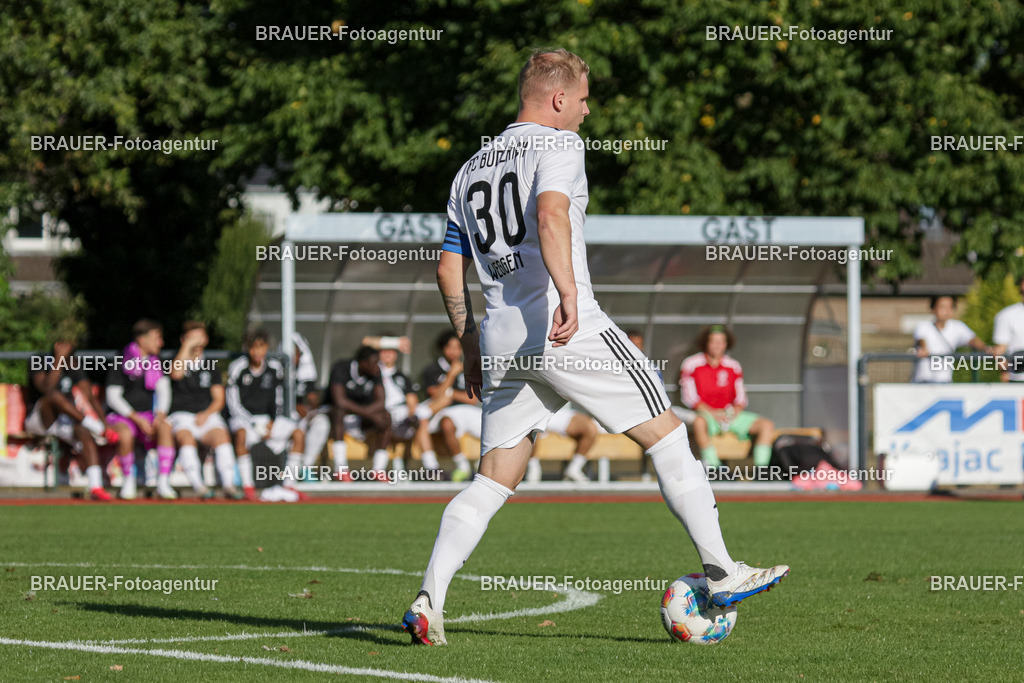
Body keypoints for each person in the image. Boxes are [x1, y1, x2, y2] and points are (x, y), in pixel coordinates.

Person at [403, 49, 787, 646]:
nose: (587, 110)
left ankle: (430, 596)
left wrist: (471, 337)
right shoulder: (559, 146)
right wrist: (568, 296)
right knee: (670, 435)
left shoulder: (470, 167)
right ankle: (722, 569)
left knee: (494, 479)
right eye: (583, 98)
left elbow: (447, 266)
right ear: (557, 99)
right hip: (563, 326)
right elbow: (551, 215)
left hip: (503, 337)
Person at [25, 337, 113, 501]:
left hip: (65, 421)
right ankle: (95, 426)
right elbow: (47, 388)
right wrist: (58, 360)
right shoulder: (39, 360)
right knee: (53, 396)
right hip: (40, 420)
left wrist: (105, 424)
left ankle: (96, 486)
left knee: (83, 430)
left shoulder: (73, 365)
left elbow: (90, 397)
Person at [680, 325, 776, 469]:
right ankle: (715, 467)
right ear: (706, 343)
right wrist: (713, 413)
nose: (718, 346)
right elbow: (689, 397)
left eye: (722, 342)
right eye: (714, 341)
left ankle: (761, 470)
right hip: (707, 415)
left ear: (727, 344)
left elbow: (741, 396)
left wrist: (735, 412)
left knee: (766, 425)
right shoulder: (691, 363)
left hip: (730, 415)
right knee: (699, 423)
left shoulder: (733, 365)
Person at [225, 329, 304, 500]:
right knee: (240, 435)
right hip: (245, 420)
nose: (257, 352)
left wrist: (273, 421)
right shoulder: (237, 367)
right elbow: (233, 404)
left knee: (298, 435)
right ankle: (248, 487)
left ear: (267, 348)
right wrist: (254, 424)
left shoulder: (275, 368)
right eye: (253, 348)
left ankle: (289, 485)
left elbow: (278, 398)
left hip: (268, 420)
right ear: (248, 348)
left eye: (261, 347)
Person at [167, 321, 241, 499]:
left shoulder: (211, 365)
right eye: (193, 337)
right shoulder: (176, 360)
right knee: (186, 438)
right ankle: (199, 487)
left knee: (222, 436)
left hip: (206, 416)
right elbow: (176, 374)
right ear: (184, 339)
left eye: (200, 337)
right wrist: (187, 346)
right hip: (182, 417)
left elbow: (219, 399)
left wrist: (206, 414)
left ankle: (229, 486)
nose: (197, 342)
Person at [106, 319, 176, 500]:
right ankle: (128, 481)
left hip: (148, 416)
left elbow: (164, 389)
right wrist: (137, 418)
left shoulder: (157, 361)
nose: (160, 343)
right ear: (142, 340)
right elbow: (113, 397)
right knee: (125, 434)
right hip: (123, 416)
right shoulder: (122, 359)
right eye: (156, 338)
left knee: (165, 428)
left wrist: (160, 414)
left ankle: (163, 483)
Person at [420, 331, 479, 482]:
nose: (454, 352)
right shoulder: (432, 369)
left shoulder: (469, 367)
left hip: (469, 411)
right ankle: (463, 467)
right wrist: (451, 375)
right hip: (444, 411)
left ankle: (486, 466)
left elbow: (472, 398)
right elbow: (435, 395)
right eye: (450, 347)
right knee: (447, 423)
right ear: (442, 349)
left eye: (458, 347)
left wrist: (451, 393)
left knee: (495, 426)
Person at [327, 345, 393, 480]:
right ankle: (341, 468)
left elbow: (381, 401)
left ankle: (378, 470)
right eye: (373, 363)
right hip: (338, 417)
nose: (377, 367)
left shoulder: (375, 372)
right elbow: (340, 401)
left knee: (386, 417)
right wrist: (369, 414)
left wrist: (369, 415)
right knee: (338, 412)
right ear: (362, 363)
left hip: (362, 417)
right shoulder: (341, 368)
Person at [912, 296, 991, 383]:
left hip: (945, 382)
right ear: (933, 308)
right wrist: (924, 349)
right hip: (923, 382)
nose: (946, 311)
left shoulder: (957, 327)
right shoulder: (924, 326)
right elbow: (921, 339)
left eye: (950, 307)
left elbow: (972, 340)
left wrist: (986, 348)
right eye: (942, 307)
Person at [525, 405, 599, 483]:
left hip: (560, 412)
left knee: (591, 428)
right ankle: (533, 468)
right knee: (532, 425)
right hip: (535, 411)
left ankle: (574, 469)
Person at [993, 276, 1024, 382]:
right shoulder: (1006, 315)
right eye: (1023, 292)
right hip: (1017, 380)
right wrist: (1004, 371)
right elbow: (999, 351)